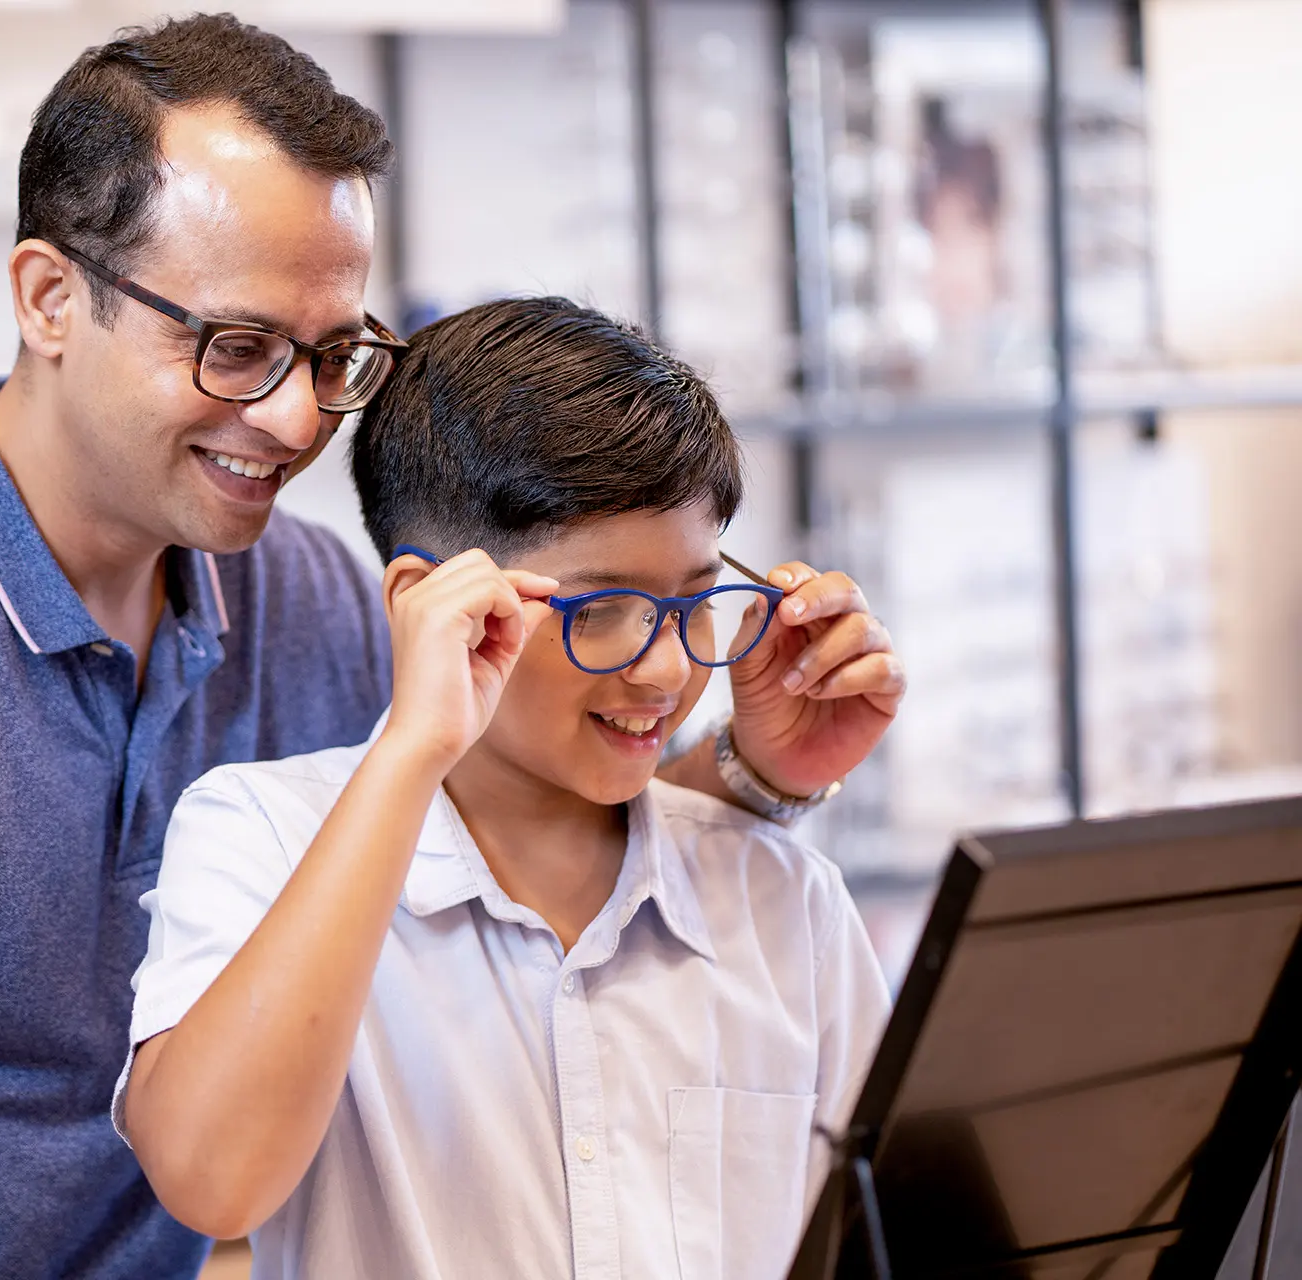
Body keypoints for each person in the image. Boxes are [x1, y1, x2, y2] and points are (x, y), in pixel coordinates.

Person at [0, 16, 900, 1280]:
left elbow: (497, 824)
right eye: (233, 346)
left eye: (335, 353)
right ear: (47, 297)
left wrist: (755, 777)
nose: (292, 420)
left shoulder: (306, 599)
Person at [117, 298, 900, 1279]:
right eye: (605, 608)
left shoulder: (784, 895)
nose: (663, 670)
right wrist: (414, 741)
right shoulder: (260, 835)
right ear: (427, 601)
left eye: (695, 601)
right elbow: (211, 1180)